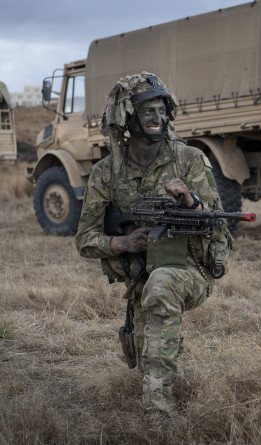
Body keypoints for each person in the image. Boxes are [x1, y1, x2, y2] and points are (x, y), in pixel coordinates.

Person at [75, 72, 231, 413]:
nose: (158, 119)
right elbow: (85, 239)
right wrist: (124, 243)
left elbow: (219, 226)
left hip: (191, 270)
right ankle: (169, 381)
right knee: (148, 355)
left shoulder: (188, 160)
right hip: (139, 276)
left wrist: (192, 203)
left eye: (162, 111)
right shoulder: (106, 173)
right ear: (129, 119)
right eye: (148, 112)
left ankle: (160, 414)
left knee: (161, 289)